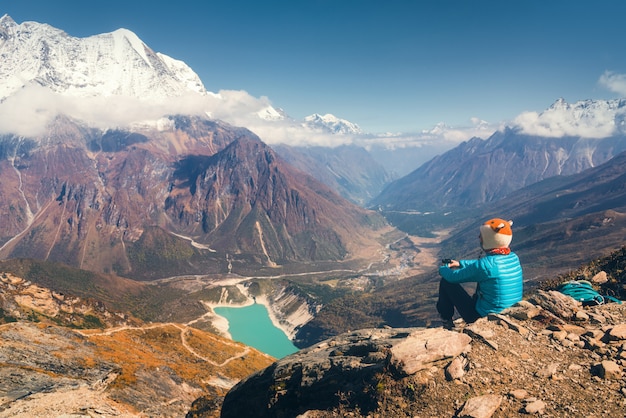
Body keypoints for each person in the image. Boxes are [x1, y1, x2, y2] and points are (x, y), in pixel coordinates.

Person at [436, 218, 523, 328]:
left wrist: (443, 269)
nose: (479, 238)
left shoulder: (486, 265)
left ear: (489, 239)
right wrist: (460, 264)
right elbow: (484, 265)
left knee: (446, 282)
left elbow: (453, 277)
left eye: (481, 235)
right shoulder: (513, 257)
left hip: (484, 317)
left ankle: (446, 320)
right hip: (510, 313)